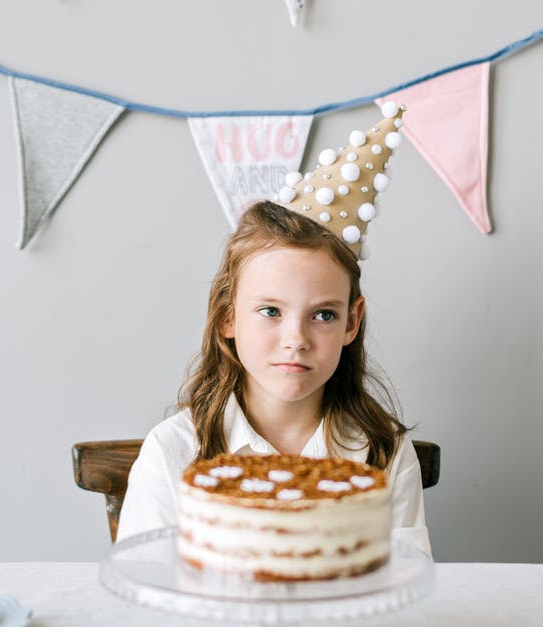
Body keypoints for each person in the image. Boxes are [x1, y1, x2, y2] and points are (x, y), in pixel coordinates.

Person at [116, 106, 430, 555]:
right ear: (227, 315)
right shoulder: (175, 451)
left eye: (323, 314)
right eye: (270, 311)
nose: (295, 338)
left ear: (351, 322)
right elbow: (146, 591)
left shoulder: (383, 452)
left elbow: (402, 584)